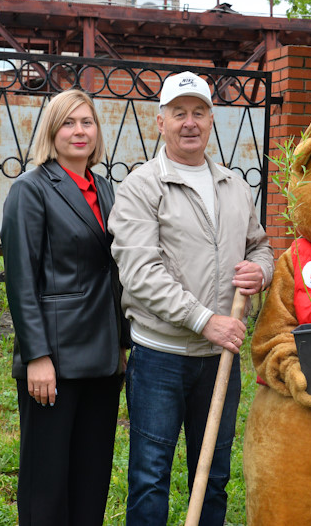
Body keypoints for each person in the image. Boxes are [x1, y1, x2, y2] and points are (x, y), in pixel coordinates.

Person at [108, 71, 274, 525]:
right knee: (149, 476)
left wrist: (262, 269)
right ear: (159, 122)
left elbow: (259, 244)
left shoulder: (234, 186)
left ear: (211, 119)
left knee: (214, 476)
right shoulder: (142, 186)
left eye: (198, 112)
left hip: (219, 359)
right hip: (161, 356)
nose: (189, 122)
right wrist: (204, 320)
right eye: (178, 112)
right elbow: (141, 273)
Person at [1, 88, 128, 526]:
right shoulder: (31, 188)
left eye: (87, 122)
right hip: (54, 358)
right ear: (52, 132)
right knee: (47, 483)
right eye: (68, 123)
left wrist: (122, 345)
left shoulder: (105, 188)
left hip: (103, 357)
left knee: (91, 479)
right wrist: (36, 356)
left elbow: (114, 273)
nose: (79, 131)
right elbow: (21, 280)